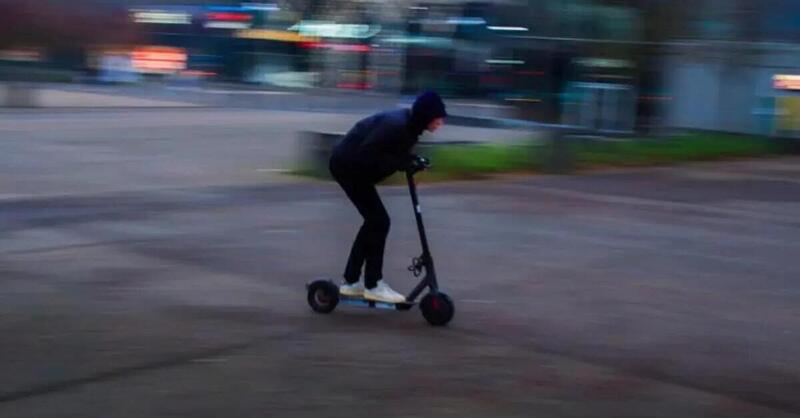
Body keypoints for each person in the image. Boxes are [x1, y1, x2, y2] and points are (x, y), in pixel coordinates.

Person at [329, 91, 447, 303]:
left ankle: (351, 281)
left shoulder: (410, 127)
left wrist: (412, 160)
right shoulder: (397, 126)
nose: (441, 122)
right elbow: (367, 155)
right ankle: (373, 284)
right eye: (438, 117)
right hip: (347, 166)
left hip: (353, 167)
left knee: (375, 221)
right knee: (379, 221)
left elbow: (392, 152)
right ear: (426, 115)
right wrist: (401, 163)